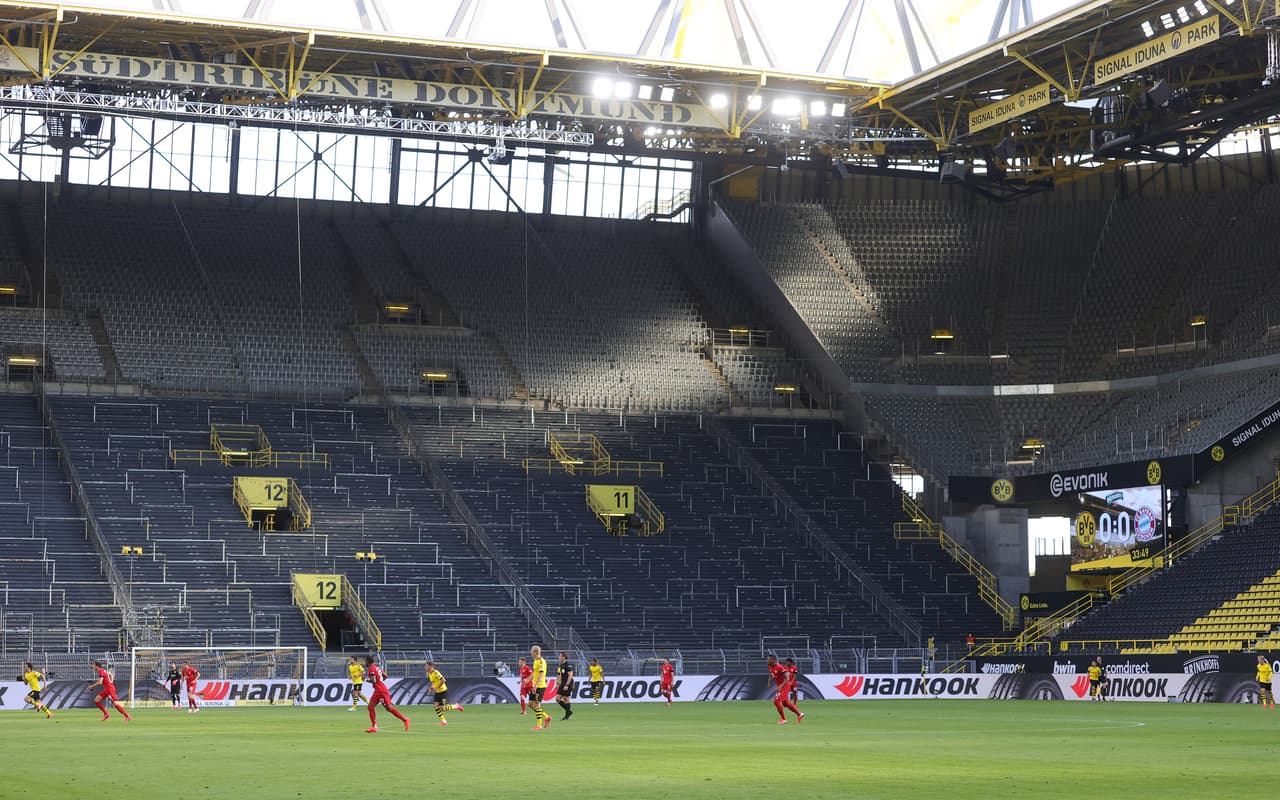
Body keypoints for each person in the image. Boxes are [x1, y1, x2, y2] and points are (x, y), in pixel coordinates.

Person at [363, 657, 409, 733]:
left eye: (365, 661)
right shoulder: (377, 667)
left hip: (381, 691)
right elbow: (386, 676)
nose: (365, 663)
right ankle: (374, 727)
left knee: (389, 708)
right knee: (370, 707)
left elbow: (373, 680)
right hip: (379, 690)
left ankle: (405, 719)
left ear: (368, 661)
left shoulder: (371, 668)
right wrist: (380, 682)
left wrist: (367, 680)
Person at [424, 661, 464, 726]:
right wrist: (431, 688)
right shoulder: (429, 674)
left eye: (426, 666)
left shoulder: (436, 672)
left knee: (442, 709)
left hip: (443, 692)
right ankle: (444, 721)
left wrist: (437, 688)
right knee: (436, 706)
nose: (425, 667)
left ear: (430, 666)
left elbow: (443, 680)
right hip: (437, 692)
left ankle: (456, 706)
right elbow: (434, 683)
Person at [766, 655, 802, 724]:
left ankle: (783, 719)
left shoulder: (779, 667)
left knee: (776, 701)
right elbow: (771, 674)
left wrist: (780, 686)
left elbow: (787, 678)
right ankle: (799, 714)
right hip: (781, 686)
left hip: (785, 685)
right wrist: (769, 682)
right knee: (785, 703)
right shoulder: (770, 666)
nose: (767, 661)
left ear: (773, 660)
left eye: (769, 659)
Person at [529, 645, 550, 731]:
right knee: (530, 704)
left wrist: (536, 686)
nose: (530, 652)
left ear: (535, 652)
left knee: (537, 704)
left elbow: (541, 675)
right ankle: (546, 717)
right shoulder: (535, 661)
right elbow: (535, 673)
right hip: (534, 685)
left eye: (531, 651)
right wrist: (528, 680)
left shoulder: (541, 661)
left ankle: (539, 725)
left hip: (540, 686)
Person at [555, 651, 575, 721]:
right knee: (557, 699)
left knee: (566, 699)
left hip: (567, 684)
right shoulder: (561, 665)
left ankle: (567, 716)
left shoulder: (568, 665)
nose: (559, 657)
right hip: (562, 683)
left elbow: (570, 675)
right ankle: (569, 711)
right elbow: (560, 675)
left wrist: (567, 685)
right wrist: (558, 683)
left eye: (560, 656)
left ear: (564, 657)